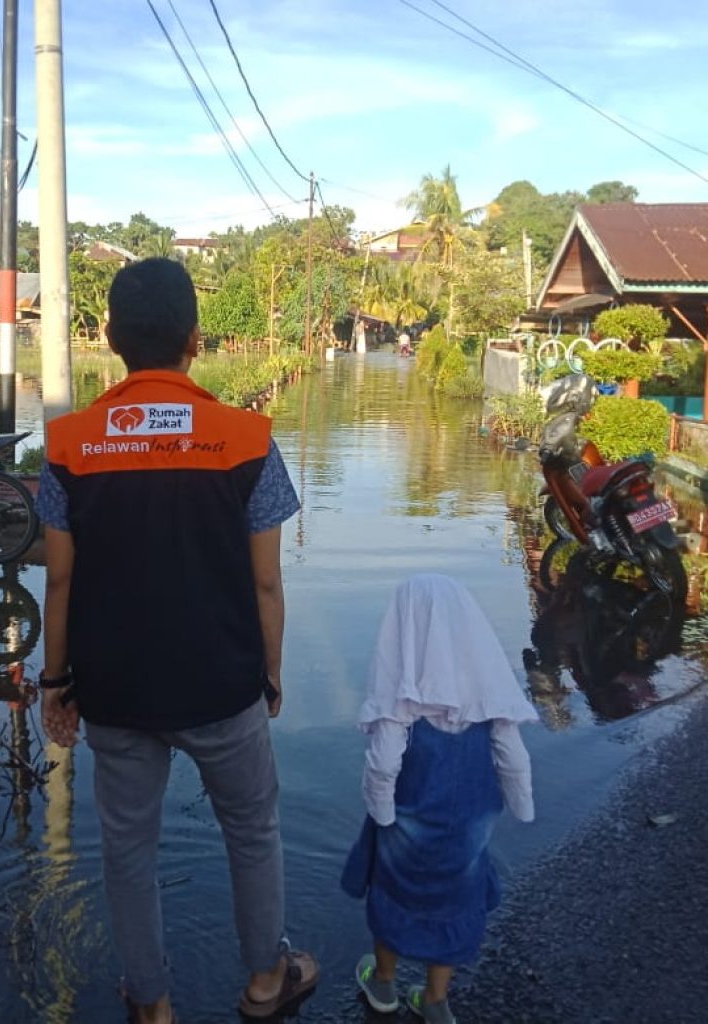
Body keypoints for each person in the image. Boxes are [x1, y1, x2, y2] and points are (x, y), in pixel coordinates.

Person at [36, 257, 318, 1024]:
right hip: (224, 683)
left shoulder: (67, 444)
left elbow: (59, 583)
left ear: (109, 338)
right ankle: (266, 981)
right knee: (253, 830)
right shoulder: (247, 438)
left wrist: (54, 681)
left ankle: (151, 1003)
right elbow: (266, 583)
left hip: (116, 693)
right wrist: (271, 669)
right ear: (196, 339)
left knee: (128, 851)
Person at [347, 574, 537, 1024]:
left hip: (406, 829)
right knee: (455, 902)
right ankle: (434, 1000)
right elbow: (512, 757)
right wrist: (522, 806)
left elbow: (383, 764)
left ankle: (384, 985)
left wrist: (382, 814)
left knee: (395, 897)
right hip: (467, 832)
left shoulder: (403, 703)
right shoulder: (489, 698)